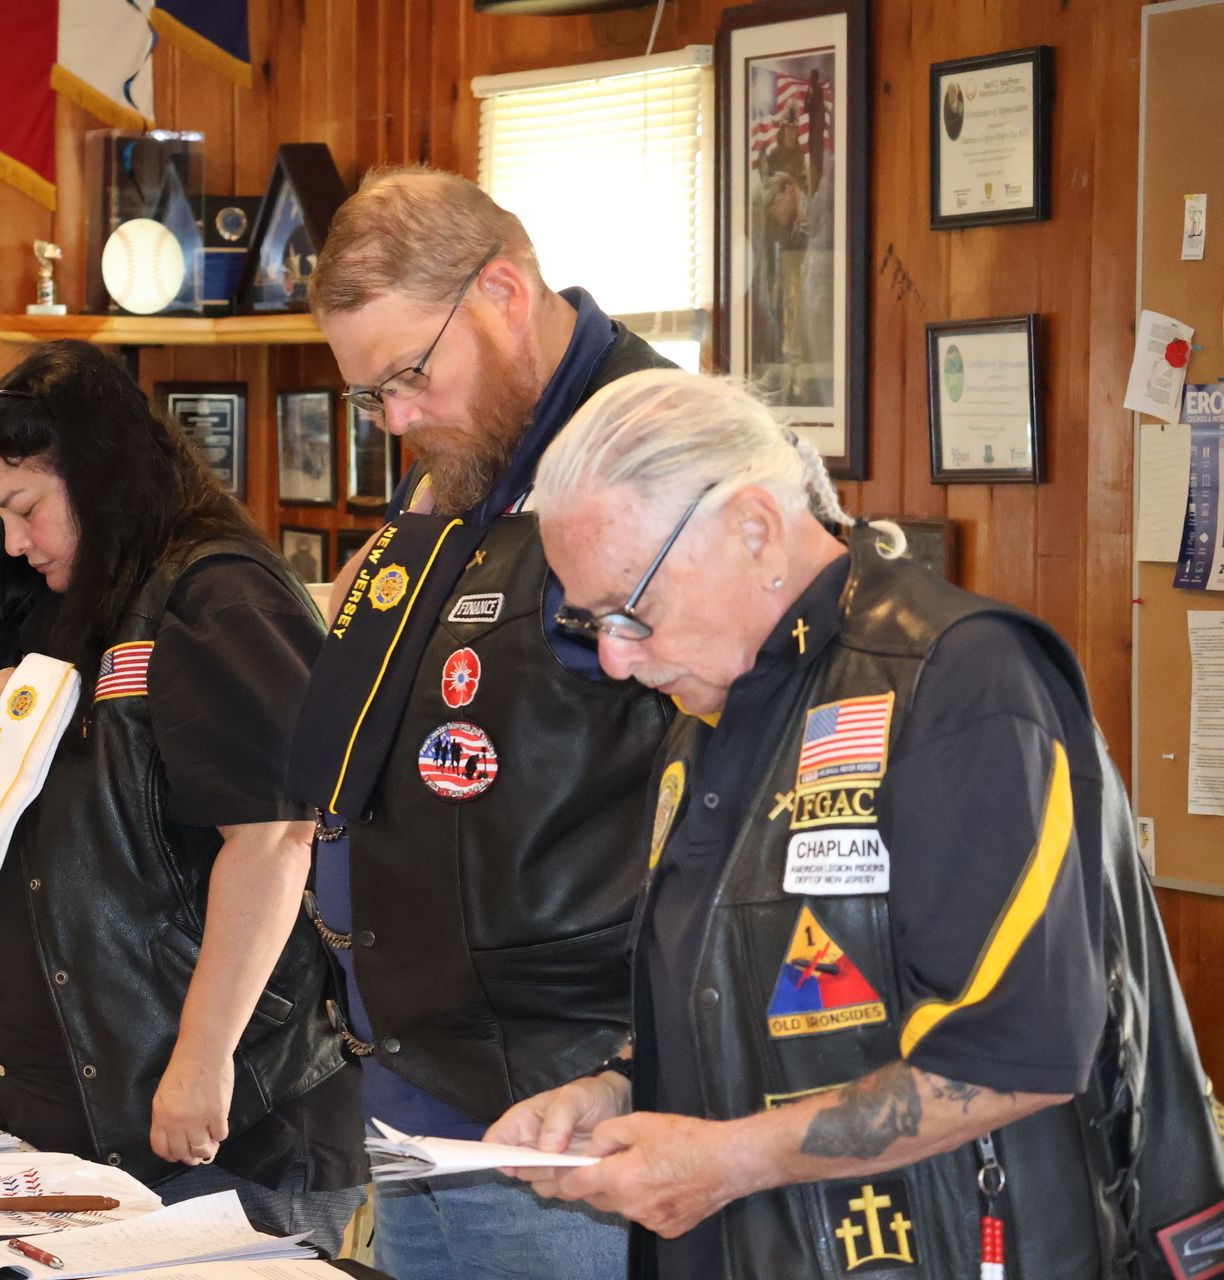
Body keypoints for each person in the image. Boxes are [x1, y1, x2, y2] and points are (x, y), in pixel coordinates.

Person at [489, 369, 1224, 1279]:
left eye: (631, 610)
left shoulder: (959, 683)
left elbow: (1012, 1058)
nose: (612, 655)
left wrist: (726, 1162)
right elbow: (729, 994)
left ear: (754, 528)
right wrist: (615, 1089)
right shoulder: (707, 707)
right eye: (588, 620)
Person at [280, 167, 674, 1279]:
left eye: (409, 374)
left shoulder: (644, 458)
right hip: (413, 1093)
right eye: (372, 396)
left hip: (559, 1112)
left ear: (503, 289)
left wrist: (637, 1068)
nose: (398, 418)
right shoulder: (471, 461)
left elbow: (736, 794)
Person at [0, 340, 365, 1251]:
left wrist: (202, 1058)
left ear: (95, 474)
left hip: (213, 1121)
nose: (12, 540)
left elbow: (275, 838)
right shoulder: (59, 593)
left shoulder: (216, 595)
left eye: (26, 508)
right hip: (69, 1111)